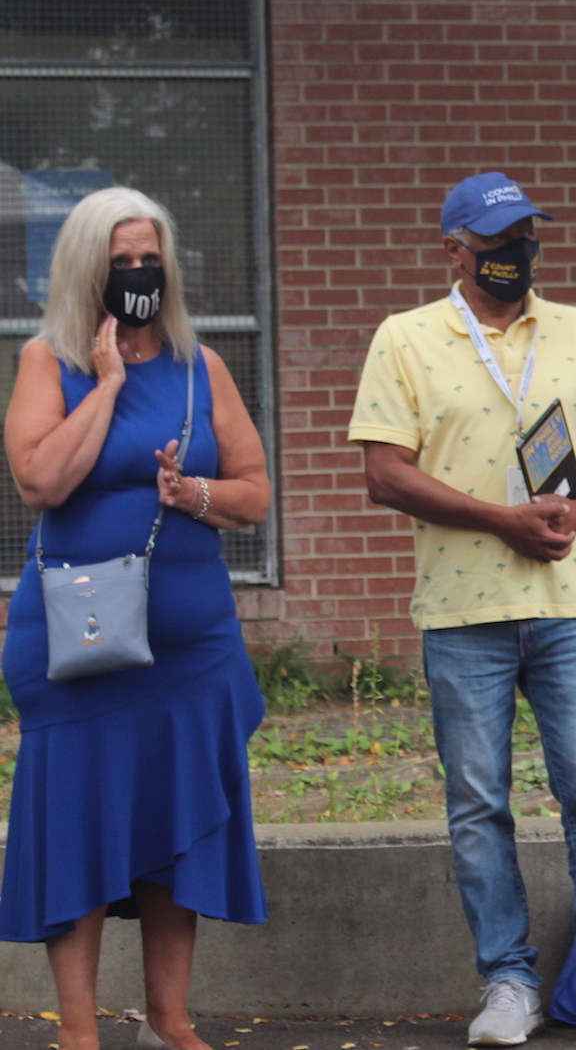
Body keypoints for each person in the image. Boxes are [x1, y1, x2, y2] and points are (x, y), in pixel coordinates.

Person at [349, 173, 576, 1047]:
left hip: (570, 599)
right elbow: (384, 471)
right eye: (498, 241)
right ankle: (509, 981)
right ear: (455, 250)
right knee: (478, 802)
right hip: (462, 610)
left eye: (525, 237)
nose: (516, 254)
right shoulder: (406, 338)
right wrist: (501, 518)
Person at [0, 187, 272, 1050]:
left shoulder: (203, 367)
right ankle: (77, 1029)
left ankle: (171, 1021)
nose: (139, 272)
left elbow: (255, 492)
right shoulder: (50, 361)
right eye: (120, 261)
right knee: (75, 821)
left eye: (149, 256)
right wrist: (110, 382)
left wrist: (191, 491)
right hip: (78, 644)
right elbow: (41, 480)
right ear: (89, 267)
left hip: (187, 652)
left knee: (172, 820)